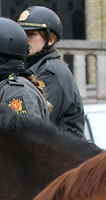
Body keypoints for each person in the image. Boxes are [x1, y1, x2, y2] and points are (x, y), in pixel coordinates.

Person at [18, 6, 85, 137]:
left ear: (50, 39)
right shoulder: (36, 66)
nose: (25, 39)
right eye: (22, 34)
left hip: (63, 153)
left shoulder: (50, 71)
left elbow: (39, 120)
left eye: (32, 34)